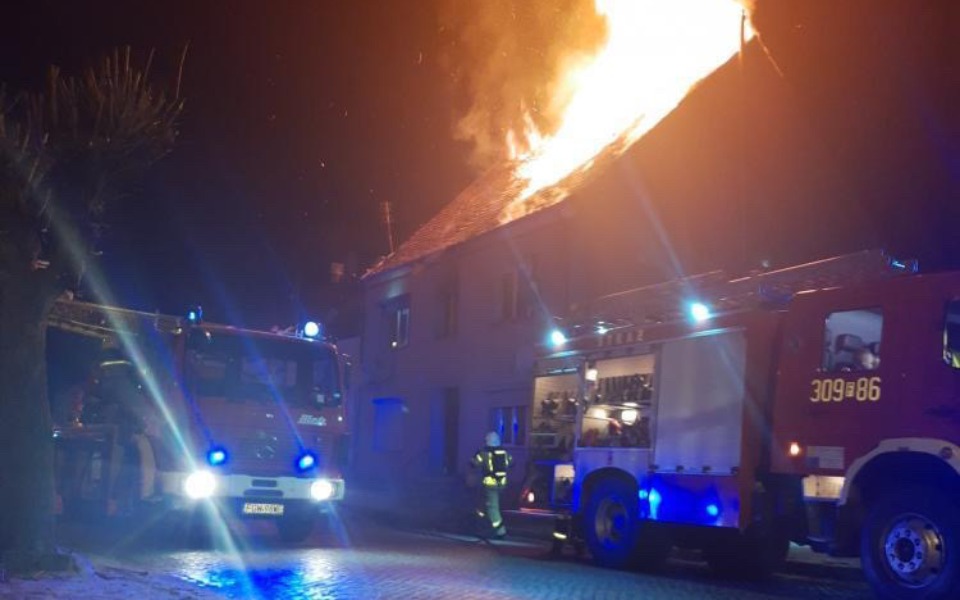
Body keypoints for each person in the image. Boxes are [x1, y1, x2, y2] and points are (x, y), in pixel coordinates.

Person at [470, 431, 513, 538]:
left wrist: (475, 456)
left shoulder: (484, 453)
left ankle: (501, 532)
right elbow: (511, 463)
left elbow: (474, 463)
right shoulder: (504, 452)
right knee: (483, 504)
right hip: (501, 484)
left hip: (490, 485)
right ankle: (480, 524)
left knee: (492, 508)